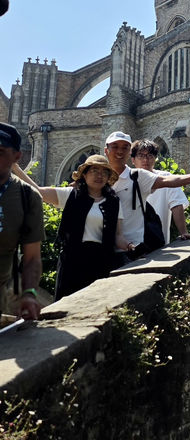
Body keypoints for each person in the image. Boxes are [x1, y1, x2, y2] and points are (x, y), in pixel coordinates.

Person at [35, 155, 130, 299]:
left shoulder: (114, 202)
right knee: (66, 305)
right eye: (94, 171)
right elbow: (37, 192)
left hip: (101, 262)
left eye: (104, 172)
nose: (100, 176)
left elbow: (118, 236)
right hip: (72, 261)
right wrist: (15, 169)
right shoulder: (71, 195)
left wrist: (131, 246)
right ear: (84, 174)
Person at [103, 131, 190, 263]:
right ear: (106, 150)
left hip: (132, 251)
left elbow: (167, 181)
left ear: (129, 153)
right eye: (115, 146)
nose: (120, 151)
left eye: (124, 147)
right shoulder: (99, 178)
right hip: (103, 250)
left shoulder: (138, 176)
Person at [0, 123, 44, 321]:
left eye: (0, 151)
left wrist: (29, 293)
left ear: (17, 157)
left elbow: (32, 258)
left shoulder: (27, 196)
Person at [130, 139, 190, 243]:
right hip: (131, 244)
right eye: (141, 156)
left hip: (157, 243)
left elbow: (176, 205)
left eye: (150, 156)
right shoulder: (127, 179)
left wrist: (183, 232)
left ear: (155, 159)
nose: (145, 160)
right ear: (133, 160)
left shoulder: (167, 178)